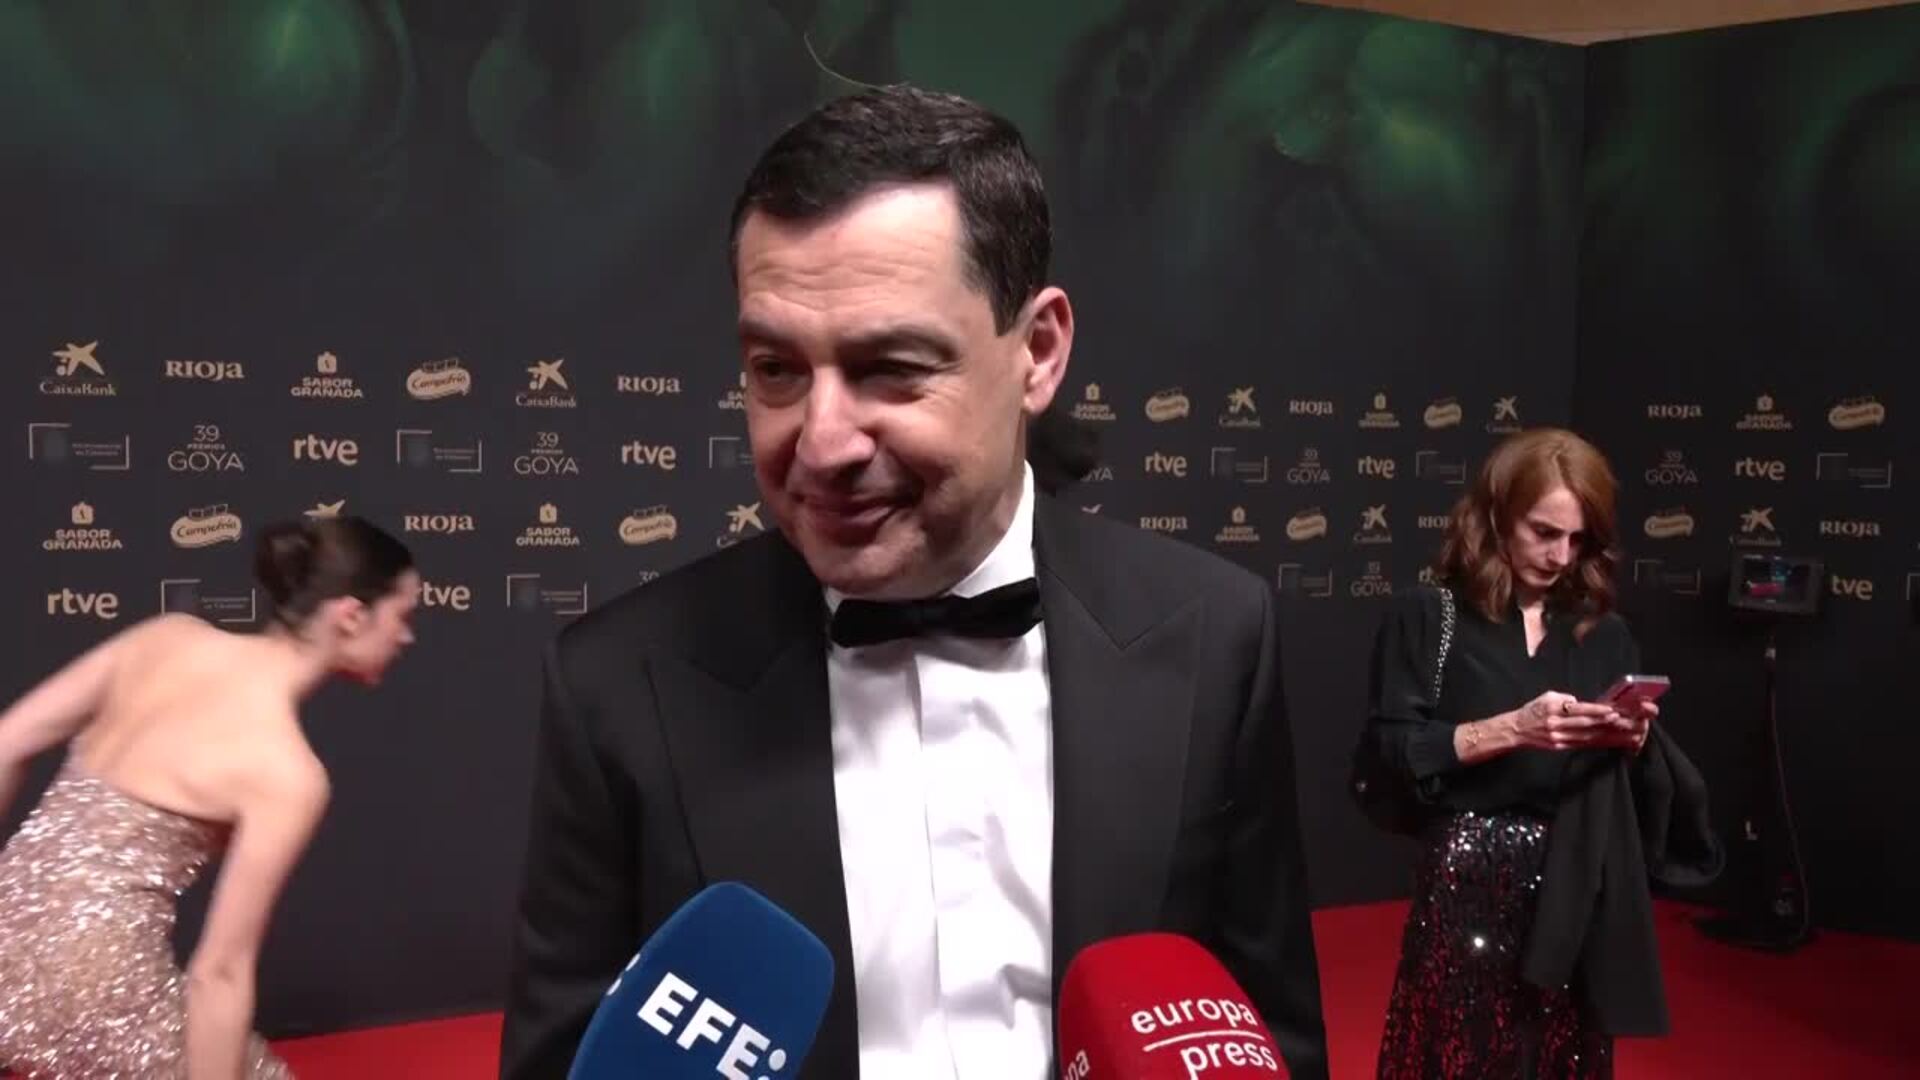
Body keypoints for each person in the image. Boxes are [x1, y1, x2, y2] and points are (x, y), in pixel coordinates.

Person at [501, 84, 1329, 1080]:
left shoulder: (1216, 635)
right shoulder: (615, 687)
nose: (822, 443)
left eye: (890, 366)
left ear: (1038, 353)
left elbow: (1269, 1035)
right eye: (776, 369)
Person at [1356, 428, 1720, 1079]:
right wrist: (1514, 728)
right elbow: (1389, 753)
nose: (1560, 555)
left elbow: (1631, 792)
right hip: (1466, 884)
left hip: (1577, 884)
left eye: (1577, 539)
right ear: (1496, 514)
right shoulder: (1429, 615)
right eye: (1544, 532)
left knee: (1559, 1058)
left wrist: (1634, 742)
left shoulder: (1605, 634)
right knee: (1457, 1056)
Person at [0, 515, 418, 1079]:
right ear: (350, 615)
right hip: (94, 985)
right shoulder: (286, 771)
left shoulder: (165, 637)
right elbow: (219, 971)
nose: (407, 638)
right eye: (403, 616)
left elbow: (7, 742)